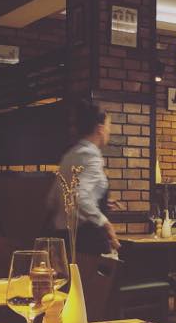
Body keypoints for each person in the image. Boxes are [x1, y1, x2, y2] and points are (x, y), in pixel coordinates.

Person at [47, 98, 122, 255]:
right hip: (87, 241)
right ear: (100, 128)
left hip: (64, 239)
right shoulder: (91, 156)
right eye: (109, 126)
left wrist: (99, 201)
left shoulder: (69, 155)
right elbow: (79, 197)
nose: (109, 131)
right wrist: (105, 223)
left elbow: (52, 199)